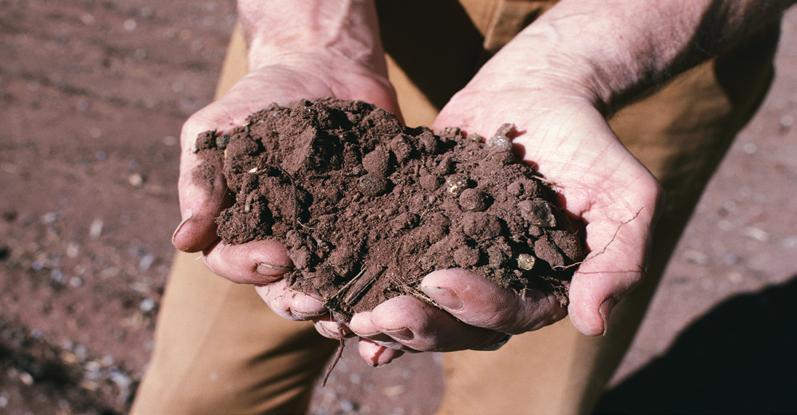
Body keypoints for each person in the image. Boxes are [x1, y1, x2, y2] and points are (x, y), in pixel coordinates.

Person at [132, 1, 794, 413]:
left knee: (528, 399)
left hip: (662, 35)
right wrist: (309, 36)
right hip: (361, 28)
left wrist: (572, 65)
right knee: (203, 389)